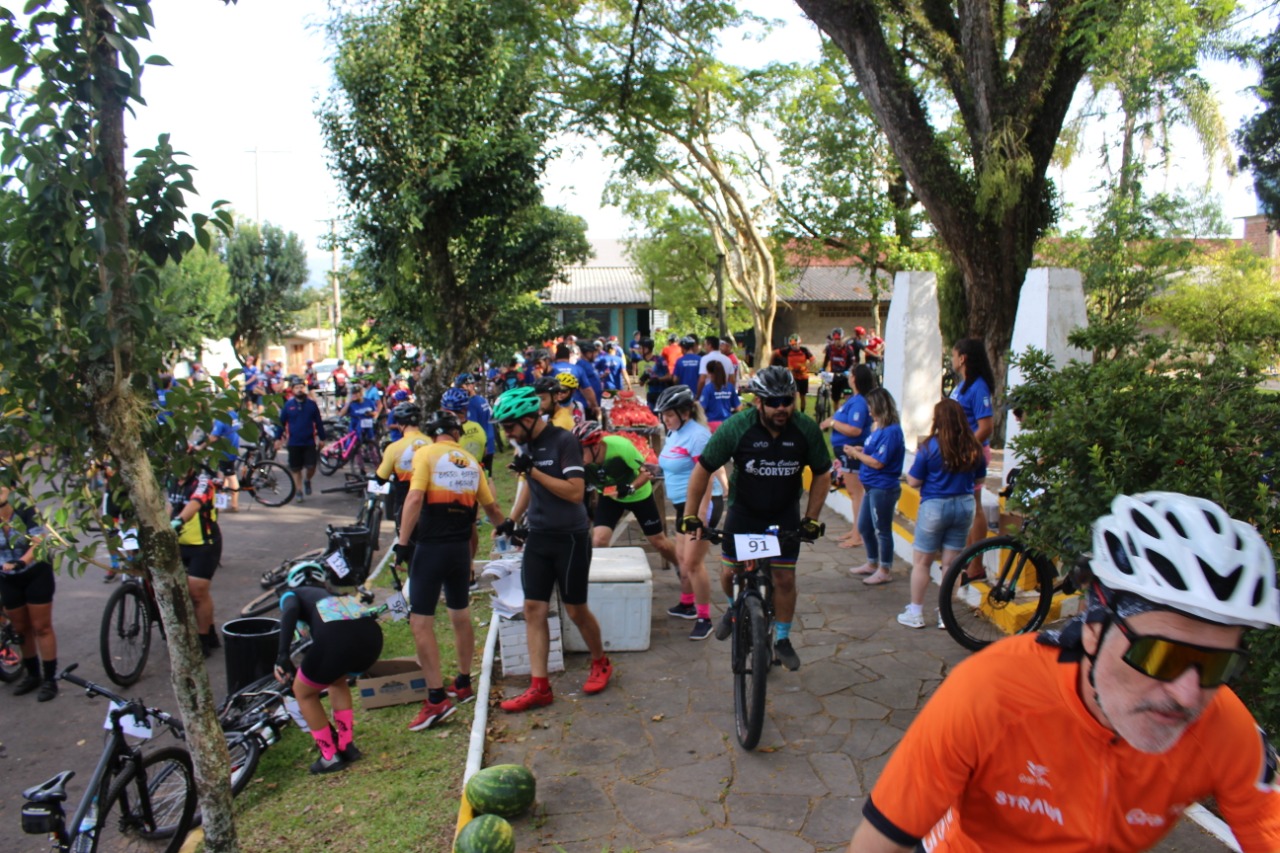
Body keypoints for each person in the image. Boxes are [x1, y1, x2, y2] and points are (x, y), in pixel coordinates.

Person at [847, 492, 1280, 853]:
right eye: (1158, 656)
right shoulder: (988, 693)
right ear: (1093, 630)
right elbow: (878, 844)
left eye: (1214, 665)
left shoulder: (1223, 728)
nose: (1188, 695)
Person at [680, 366, 831, 671]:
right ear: (758, 402)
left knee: (784, 577)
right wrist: (690, 516)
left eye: (787, 401)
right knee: (729, 574)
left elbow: (823, 473)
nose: (781, 408)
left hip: (784, 513)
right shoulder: (737, 427)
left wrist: (812, 518)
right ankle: (736, 607)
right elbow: (703, 469)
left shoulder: (805, 429)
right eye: (773, 402)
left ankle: (783, 639)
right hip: (745, 513)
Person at [491, 387, 613, 711]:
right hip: (539, 537)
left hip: (570, 539)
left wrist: (533, 470)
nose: (507, 433)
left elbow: (574, 493)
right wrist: (510, 519)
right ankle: (539, 687)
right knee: (534, 609)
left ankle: (600, 661)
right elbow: (529, 488)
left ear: (530, 418)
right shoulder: (526, 446)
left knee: (575, 610)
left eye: (510, 425)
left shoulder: (564, 441)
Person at [393, 410, 507, 731]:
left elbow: (414, 497)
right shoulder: (472, 462)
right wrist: (506, 530)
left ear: (433, 435)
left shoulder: (426, 453)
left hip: (430, 548)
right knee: (460, 615)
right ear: (456, 434)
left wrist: (403, 543)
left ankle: (436, 699)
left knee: (420, 622)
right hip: (460, 550)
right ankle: (463, 682)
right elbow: (491, 510)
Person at [273, 563, 384, 774]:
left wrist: (282, 654)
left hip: (337, 639)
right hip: (372, 640)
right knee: (337, 680)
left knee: (303, 692)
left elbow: (290, 611)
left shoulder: (291, 593)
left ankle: (329, 756)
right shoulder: (333, 595)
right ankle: (346, 746)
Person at [898, 399, 985, 629]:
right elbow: (980, 479)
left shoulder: (929, 447)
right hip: (965, 505)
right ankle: (944, 614)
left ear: (938, 420)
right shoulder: (973, 446)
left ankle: (915, 612)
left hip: (935, 505)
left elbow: (914, 481)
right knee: (952, 563)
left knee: (922, 562)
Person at [654, 385, 727, 641]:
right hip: (683, 506)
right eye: (663, 415)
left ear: (685, 412)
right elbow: (673, 464)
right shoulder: (675, 432)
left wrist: (702, 512)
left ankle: (704, 618)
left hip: (700, 505)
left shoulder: (698, 435)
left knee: (694, 564)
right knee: (683, 560)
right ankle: (687, 603)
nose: (665, 419)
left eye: (669, 414)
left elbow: (706, 475)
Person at [573, 420, 679, 567]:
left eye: (581, 451)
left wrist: (630, 487)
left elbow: (647, 472)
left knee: (659, 542)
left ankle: (682, 566)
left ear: (596, 446)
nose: (577, 456)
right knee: (599, 541)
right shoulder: (581, 458)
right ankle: (605, 578)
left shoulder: (621, 447)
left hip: (639, 495)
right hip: (610, 496)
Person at [0, 470, 58, 701]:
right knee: (21, 628)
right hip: (7, 577)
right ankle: (32, 674)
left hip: (35, 572)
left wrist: (21, 561)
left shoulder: (26, 511)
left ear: (12, 490)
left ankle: (50, 678)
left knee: (41, 627)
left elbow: (39, 541)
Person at [848, 387, 905, 586]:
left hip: (884, 487)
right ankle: (872, 562)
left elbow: (878, 462)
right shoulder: (878, 428)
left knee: (882, 529)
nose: (869, 411)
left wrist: (857, 455)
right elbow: (874, 453)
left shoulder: (892, 431)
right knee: (864, 526)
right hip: (872, 487)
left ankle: (885, 568)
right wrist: (861, 450)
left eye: (871, 407)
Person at [169, 453, 224, 656]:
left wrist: (178, 521)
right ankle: (209, 632)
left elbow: (195, 504)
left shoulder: (202, 481)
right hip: (179, 543)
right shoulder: (171, 480)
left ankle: (203, 639)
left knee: (197, 592)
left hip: (205, 544)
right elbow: (169, 505)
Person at [949, 337, 995, 548]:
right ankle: (965, 556)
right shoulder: (963, 386)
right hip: (958, 451)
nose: (952, 359)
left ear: (963, 358)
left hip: (971, 454)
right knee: (964, 507)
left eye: (953, 355)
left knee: (974, 507)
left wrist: (966, 448)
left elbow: (985, 427)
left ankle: (975, 564)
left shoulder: (978, 388)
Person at [823, 365, 875, 548]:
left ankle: (858, 534)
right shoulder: (855, 399)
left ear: (855, 378)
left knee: (856, 494)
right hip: (845, 452)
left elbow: (855, 429)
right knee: (854, 493)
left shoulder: (860, 402)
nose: (849, 377)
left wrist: (833, 422)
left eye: (851, 374)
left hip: (852, 452)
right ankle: (855, 531)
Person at [375, 402, 429, 530]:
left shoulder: (394, 448)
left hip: (405, 503)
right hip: (430, 502)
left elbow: (381, 479)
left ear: (400, 425)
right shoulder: (431, 442)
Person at [276, 379, 326, 503]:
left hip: (309, 441)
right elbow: (281, 423)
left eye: (302, 387)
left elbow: (319, 422)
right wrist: (277, 438)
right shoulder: (288, 405)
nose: (300, 389)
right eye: (297, 387)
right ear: (292, 390)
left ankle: (307, 480)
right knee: (296, 468)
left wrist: (322, 438)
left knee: (311, 466)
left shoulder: (311, 404)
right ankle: (299, 491)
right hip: (294, 442)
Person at [454, 373, 496, 476]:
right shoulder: (481, 399)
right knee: (488, 476)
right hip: (489, 441)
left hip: (480, 445)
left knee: (480, 479)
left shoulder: (471, 404)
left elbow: (471, 426)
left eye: (460, 387)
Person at [207, 407, 243, 513]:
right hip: (233, 449)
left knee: (230, 476)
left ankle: (234, 505)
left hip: (225, 452)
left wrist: (201, 445)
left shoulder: (221, 419)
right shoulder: (233, 414)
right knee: (224, 477)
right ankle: (220, 504)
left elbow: (213, 436)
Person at [441, 387, 488, 464]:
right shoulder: (478, 427)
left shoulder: (446, 434)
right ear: (465, 408)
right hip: (477, 471)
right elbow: (485, 453)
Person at [771, 334, 816, 413]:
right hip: (793, 376)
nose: (793, 347)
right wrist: (770, 366)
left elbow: (813, 360)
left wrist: (806, 366)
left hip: (803, 376)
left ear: (799, 343)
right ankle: (794, 411)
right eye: (792, 345)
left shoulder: (804, 350)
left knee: (803, 396)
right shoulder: (787, 350)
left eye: (795, 344)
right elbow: (774, 353)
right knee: (794, 394)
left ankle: (802, 412)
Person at [698, 360, 739, 432]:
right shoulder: (729, 387)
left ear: (710, 373)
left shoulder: (707, 389)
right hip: (728, 424)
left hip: (712, 425)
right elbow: (738, 407)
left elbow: (702, 409)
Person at [636, 337, 673, 410]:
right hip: (650, 394)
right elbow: (641, 384)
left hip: (661, 393)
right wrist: (643, 378)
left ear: (646, 349)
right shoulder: (640, 363)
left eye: (640, 348)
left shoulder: (659, 360)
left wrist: (658, 379)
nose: (638, 350)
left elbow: (669, 376)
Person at [821, 328, 855, 405]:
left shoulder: (848, 349)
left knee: (848, 396)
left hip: (845, 376)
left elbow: (853, 363)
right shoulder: (830, 348)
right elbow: (826, 359)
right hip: (835, 375)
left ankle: (848, 412)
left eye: (839, 339)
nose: (837, 341)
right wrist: (823, 368)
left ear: (842, 339)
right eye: (835, 339)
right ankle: (837, 415)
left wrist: (849, 370)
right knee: (835, 399)